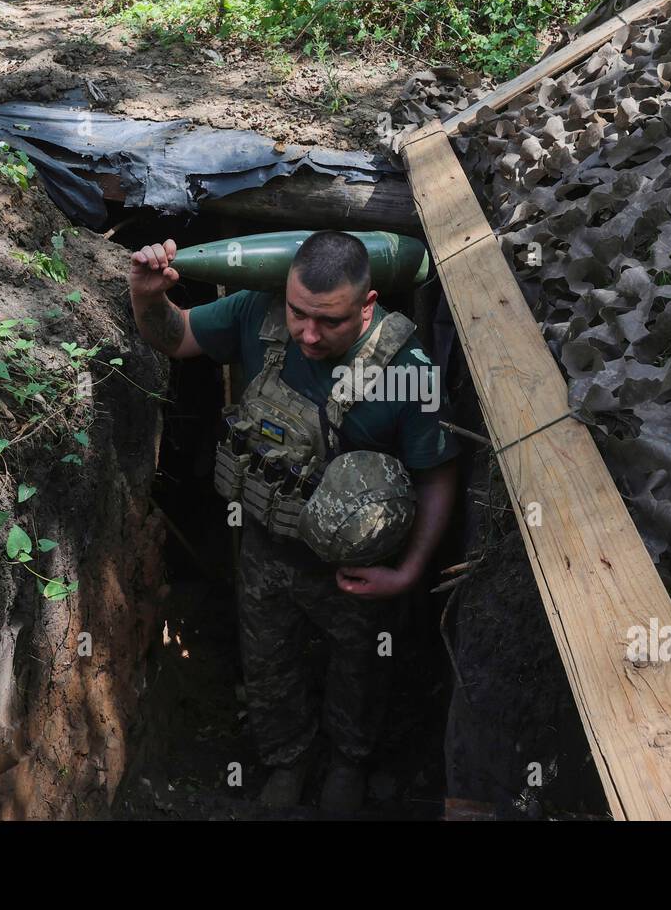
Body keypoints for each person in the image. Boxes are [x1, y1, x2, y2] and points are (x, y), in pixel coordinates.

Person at [127, 230, 459, 813]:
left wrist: (408, 572)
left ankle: (349, 763)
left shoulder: (409, 373)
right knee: (267, 659)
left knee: (360, 669)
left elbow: (436, 477)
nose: (307, 334)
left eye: (328, 322)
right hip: (265, 545)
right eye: (298, 312)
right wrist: (148, 297)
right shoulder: (257, 313)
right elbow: (175, 338)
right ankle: (287, 759)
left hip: (354, 569)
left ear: (368, 304)